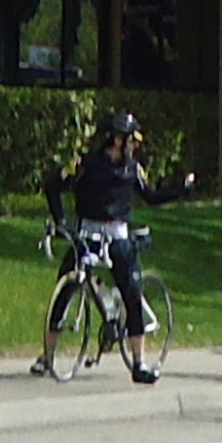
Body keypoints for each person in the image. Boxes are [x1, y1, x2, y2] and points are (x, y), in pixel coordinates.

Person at [53, 107, 166, 382]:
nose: (134, 146)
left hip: (117, 237)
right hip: (87, 234)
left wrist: (182, 190)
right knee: (64, 290)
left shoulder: (132, 169)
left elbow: (151, 196)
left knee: (132, 292)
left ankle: (139, 363)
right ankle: (48, 356)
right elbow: (53, 185)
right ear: (117, 139)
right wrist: (61, 223)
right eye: (130, 140)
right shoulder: (85, 165)